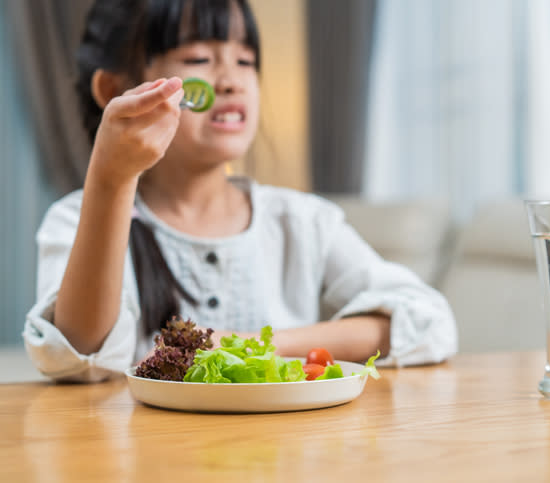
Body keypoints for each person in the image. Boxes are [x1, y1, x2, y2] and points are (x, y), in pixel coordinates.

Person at [23, 0, 457, 382]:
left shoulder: (302, 220)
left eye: (246, 60)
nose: (230, 80)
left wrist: (250, 344)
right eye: (197, 58)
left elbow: (428, 322)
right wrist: (110, 181)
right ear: (115, 90)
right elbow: (79, 360)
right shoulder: (77, 218)